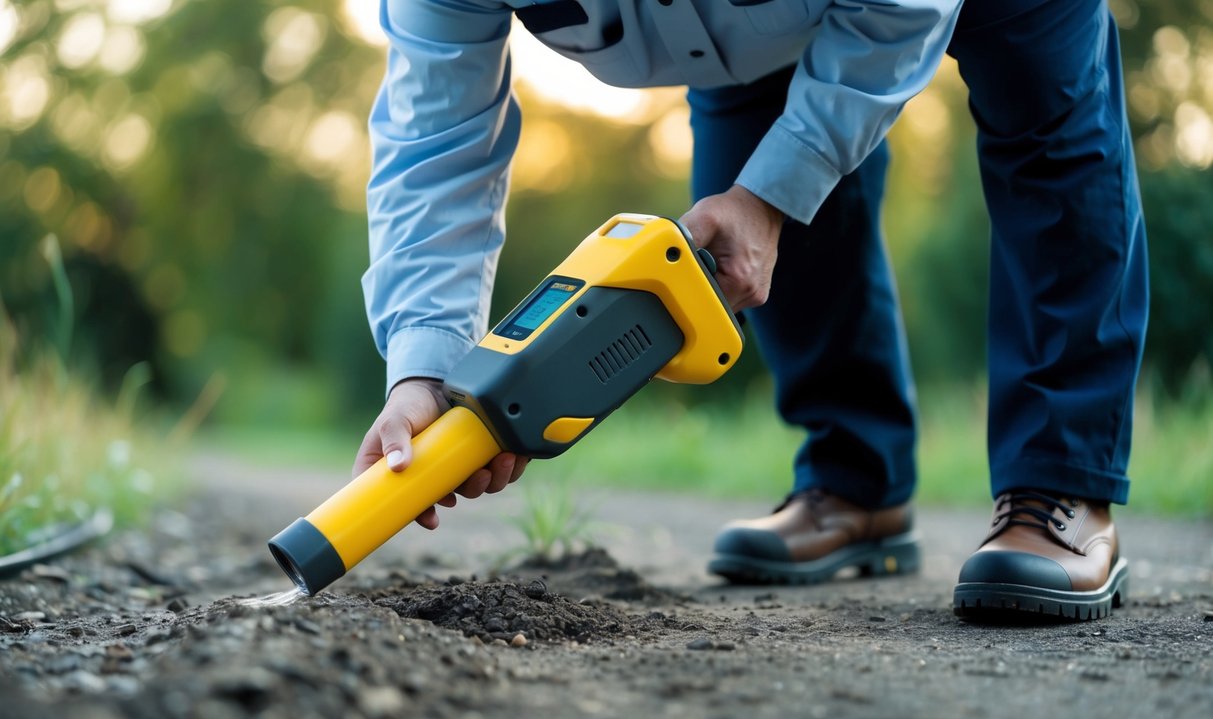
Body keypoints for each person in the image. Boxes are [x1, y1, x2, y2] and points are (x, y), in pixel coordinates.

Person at [353, 0, 1148, 621]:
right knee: (740, 243)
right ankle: (856, 484)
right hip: (746, 31)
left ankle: (1060, 482)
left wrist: (772, 192)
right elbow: (434, 141)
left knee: (1050, 137)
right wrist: (424, 369)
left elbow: (897, 11)